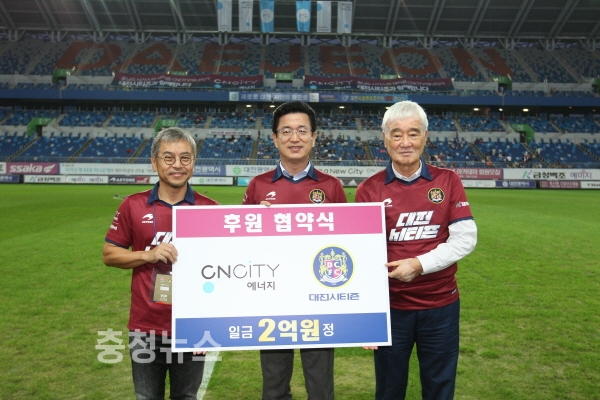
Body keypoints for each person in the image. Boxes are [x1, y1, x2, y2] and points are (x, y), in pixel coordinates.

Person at [355, 101, 477, 400]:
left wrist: (419, 264)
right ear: (385, 139)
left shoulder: (448, 180)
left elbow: (465, 239)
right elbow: (361, 254)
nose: (405, 142)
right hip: (391, 309)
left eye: (413, 133)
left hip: (441, 305)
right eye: (396, 134)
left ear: (425, 137)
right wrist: (367, 317)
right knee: (389, 389)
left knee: (439, 387)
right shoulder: (369, 189)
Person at [102, 127, 218, 400]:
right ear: (154, 162)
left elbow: (223, 270)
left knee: (186, 397)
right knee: (146, 397)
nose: (177, 165)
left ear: (193, 163)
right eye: (168, 157)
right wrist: (147, 255)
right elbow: (109, 254)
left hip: (191, 327)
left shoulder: (209, 209)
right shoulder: (133, 205)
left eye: (185, 158)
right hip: (145, 326)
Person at [242, 101, 347, 400]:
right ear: (274, 138)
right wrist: (254, 223)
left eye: (302, 130)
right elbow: (240, 247)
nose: (294, 138)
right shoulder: (258, 186)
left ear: (314, 137)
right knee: (274, 385)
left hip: (319, 298)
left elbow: (347, 245)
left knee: (321, 386)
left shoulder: (332, 186)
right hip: (272, 298)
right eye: (286, 131)